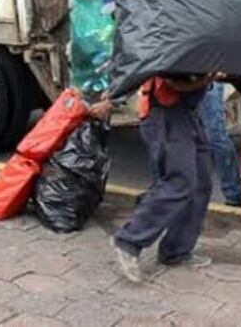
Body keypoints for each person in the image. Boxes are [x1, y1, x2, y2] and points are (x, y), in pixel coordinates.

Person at [89, 74, 215, 283]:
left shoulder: (212, 46)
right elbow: (154, 71)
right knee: (179, 182)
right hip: (165, 115)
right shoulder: (171, 45)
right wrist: (113, 100)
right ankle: (129, 241)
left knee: (201, 183)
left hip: (188, 115)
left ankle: (176, 251)